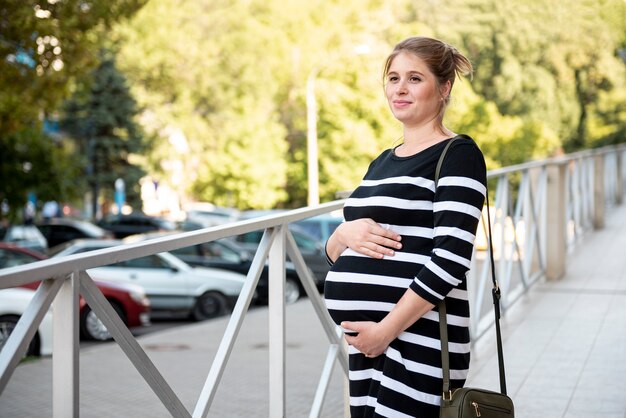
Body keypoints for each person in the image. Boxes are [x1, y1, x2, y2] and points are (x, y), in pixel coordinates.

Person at [323, 36, 487, 417]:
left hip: (417, 341)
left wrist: (386, 331)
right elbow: (337, 254)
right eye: (393, 77)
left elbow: (451, 259)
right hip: (367, 343)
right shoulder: (382, 161)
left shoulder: (458, 154)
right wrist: (340, 235)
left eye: (415, 78)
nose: (399, 88)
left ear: (443, 88)